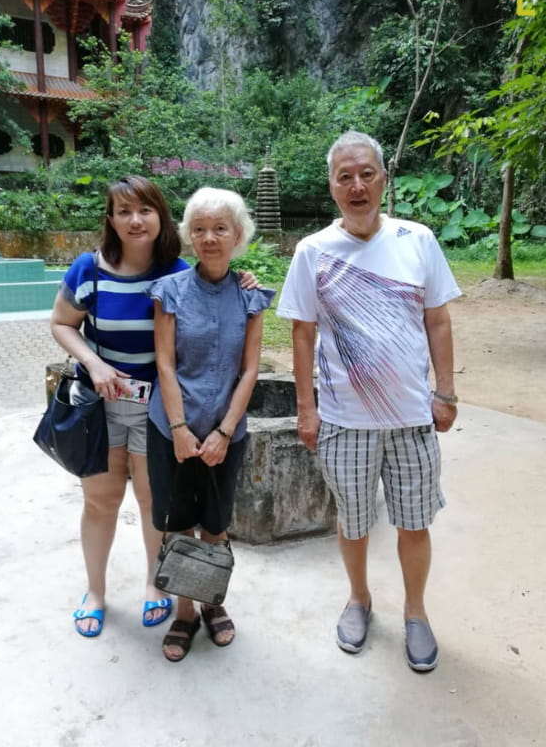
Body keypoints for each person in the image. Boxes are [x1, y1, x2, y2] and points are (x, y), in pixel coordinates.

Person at [276, 131, 461, 672]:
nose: (357, 185)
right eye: (344, 176)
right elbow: (304, 334)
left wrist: (445, 392)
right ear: (331, 185)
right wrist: (306, 408)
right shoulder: (313, 251)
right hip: (343, 420)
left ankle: (416, 612)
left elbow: (438, 319)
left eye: (366, 174)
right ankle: (358, 599)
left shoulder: (418, 240)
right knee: (352, 521)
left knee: (414, 522)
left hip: (411, 418)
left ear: (383, 179)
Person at [50, 176, 259, 637]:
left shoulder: (176, 272)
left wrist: (243, 281)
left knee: (154, 504)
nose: (135, 220)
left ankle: (154, 585)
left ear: (161, 218)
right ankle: (97, 593)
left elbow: (215, 289)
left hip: (158, 411)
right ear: (111, 220)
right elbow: (62, 323)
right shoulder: (89, 269)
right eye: (123, 211)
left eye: (144, 210)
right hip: (101, 408)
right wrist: (93, 363)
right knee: (100, 502)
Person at [147, 186, 275, 662]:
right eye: (199, 229)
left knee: (216, 525)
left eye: (220, 228)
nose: (209, 237)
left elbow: (250, 369)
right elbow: (164, 364)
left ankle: (212, 602)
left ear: (238, 234)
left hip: (227, 432)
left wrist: (223, 432)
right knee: (178, 525)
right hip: (172, 429)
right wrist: (180, 428)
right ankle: (184, 612)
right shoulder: (170, 292)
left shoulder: (251, 295)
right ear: (188, 236)